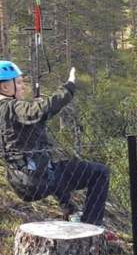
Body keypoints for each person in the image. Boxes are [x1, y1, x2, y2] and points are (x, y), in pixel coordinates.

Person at [0, 61, 110, 226]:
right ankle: (91, 225)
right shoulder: (12, 108)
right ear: (5, 88)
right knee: (100, 172)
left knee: (57, 169)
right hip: (37, 180)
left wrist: (37, 111)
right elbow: (39, 110)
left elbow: (20, 134)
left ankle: (70, 211)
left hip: (19, 181)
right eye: (19, 82)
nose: (23, 87)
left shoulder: (7, 111)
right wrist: (68, 87)